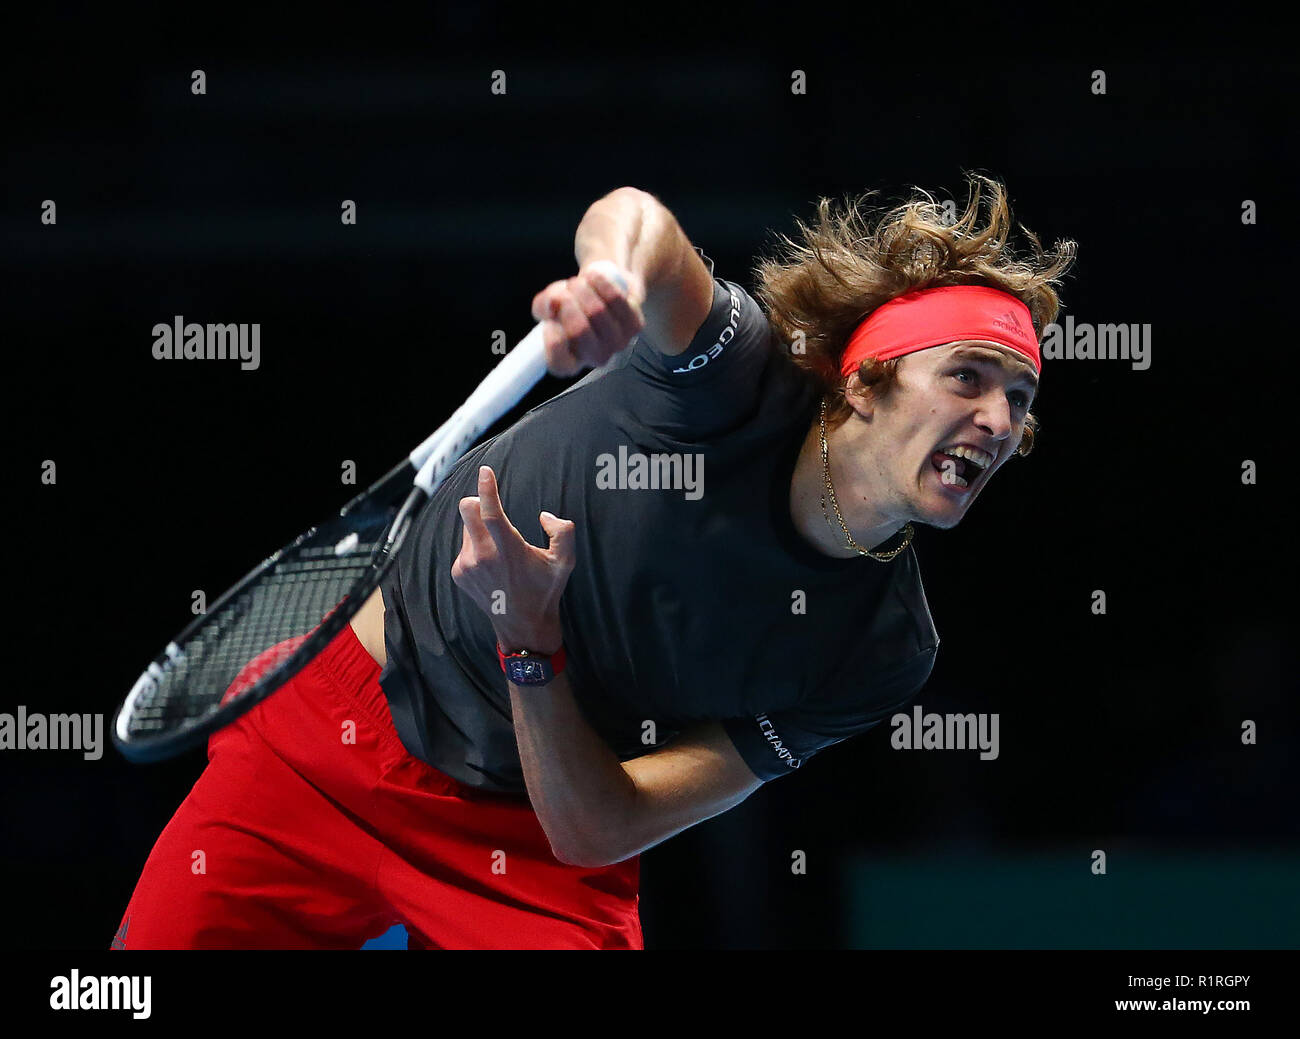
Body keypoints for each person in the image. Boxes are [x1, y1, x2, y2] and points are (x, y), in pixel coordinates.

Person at [112, 174, 1075, 949]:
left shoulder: (882, 650)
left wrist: (529, 645)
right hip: (332, 738)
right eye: (968, 376)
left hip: (528, 833)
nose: (998, 419)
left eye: (1020, 397)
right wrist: (612, 281)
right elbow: (642, 223)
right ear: (864, 381)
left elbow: (600, 826)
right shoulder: (734, 375)